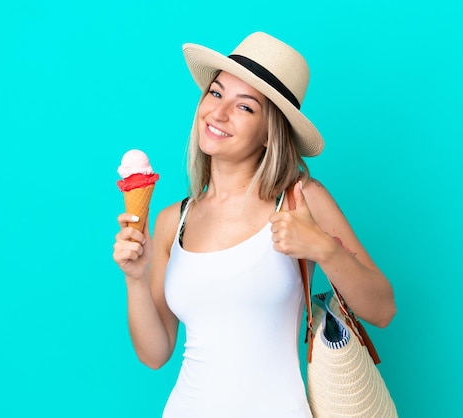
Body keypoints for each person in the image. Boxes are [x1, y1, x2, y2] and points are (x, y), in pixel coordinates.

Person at [112, 32, 396, 418]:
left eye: (244, 107)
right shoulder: (170, 221)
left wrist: (322, 249)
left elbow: (382, 309)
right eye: (215, 93)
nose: (219, 113)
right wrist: (134, 278)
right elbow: (155, 353)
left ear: (269, 132)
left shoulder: (301, 199)